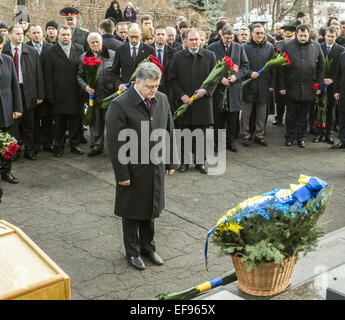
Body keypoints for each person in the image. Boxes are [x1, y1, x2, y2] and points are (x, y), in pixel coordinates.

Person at [105, 62, 175, 270]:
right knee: (132, 212)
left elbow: (168, 130)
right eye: (149, 87)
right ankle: (132, 252)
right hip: (133, 169)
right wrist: (122, 174)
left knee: (150, 209)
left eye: (156, 86)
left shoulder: (161, 99)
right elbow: (115, 143)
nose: (154, 91)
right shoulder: (120, 104)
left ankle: (148, 247)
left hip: (155, 166)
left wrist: (171, 161)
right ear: (137, 82)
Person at [169, 28, 217, 174]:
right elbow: (172, 79)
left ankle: (200, 162)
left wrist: (206, 90)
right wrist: (180, 95)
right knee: (184, 133)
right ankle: (184, 161)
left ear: (201, 40)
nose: (194, 42)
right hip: (185, 102)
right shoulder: (178, 57)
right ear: (185, 41)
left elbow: (215, 78)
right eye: (191, 40)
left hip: (202, 102)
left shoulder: (210, 56)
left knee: (201, 133)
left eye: (196, 39)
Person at [2, 25, 45, 161]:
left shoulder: (31, 52)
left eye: (22, 33)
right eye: (17, 33)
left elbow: (39, 74)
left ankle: (29, 150)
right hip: (11, 93)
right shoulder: (5, 51)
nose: (20, 36)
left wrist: (40, 94)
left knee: (29, 123)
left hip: (29, 92)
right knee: (13, 125)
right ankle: (13, 152)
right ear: (10, 35)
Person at [279, 24, 325, 148]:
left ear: (309, 34)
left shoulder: (316, 46)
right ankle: (289, 137)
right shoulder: (287, 46)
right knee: (290, 115)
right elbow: (281, 68)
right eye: (300, 36)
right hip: (291, 87)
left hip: (309, 87)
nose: (303, 38)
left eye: (305, 36)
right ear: (296, 34)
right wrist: (282, 85)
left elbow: (321, 67)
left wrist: (319, 86)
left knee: (304, 116)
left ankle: (301, 138)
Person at [42, 25, 85, 157]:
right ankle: (58, 146)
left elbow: (82, 72)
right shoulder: (50, 52)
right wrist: (50, 95)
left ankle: (74, 144)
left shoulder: (79, 49)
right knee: (59, 124)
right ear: (58, 36)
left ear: (71, 35)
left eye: (68, 35)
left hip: (75, 93)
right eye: (63, 35)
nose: (66, 37)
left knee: (74, 122)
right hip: (58, 94)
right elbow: (47, 76)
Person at [207, 24, 249, 153]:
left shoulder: (239, 47)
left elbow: (245, 66)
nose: (229, 40)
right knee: (219, 119)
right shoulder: (212, 48)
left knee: (232, 119)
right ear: (221, 35)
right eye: (226, 38)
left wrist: (236, 76)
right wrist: (220, 79)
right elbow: (209, 68)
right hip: (219, 90)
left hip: (234, 89)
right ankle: (217, 143)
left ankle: (230, 142)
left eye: (231, 38)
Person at [78, 33, 116, 157]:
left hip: (109, 95)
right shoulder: (84, 57)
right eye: (92, 42)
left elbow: (117, 74)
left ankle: (114, 147)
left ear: (102, 42)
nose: (95, 44)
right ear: (88, 44)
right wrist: (86, 87)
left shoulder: (112, 55)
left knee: (112, 123)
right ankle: (97, 146)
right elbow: (79, 75)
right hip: (93, 96)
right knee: (95, 123)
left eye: (97, 42)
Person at [241, 23, 275, 147]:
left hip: (264, 86)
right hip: (248, 85)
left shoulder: (270, 47)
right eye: (257, 33)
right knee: (246, 113)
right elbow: (241, 66)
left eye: (262, 33)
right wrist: (250, 73)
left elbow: (273, 68)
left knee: (261, 113)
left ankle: (259, 135)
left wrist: (272, 84)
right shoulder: (244, 47)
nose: (260, 35)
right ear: (251, 34)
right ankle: (245, 136)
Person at [314, 26, 344, 145]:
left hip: (333, 85)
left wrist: (331, 79)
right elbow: (316, 67)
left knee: (331, 110)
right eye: (328, 36)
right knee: (319, 108)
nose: (329, 38)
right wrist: (322, 80)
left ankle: (329, 134)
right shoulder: (318, 47)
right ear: (324, 35)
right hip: (320, 84)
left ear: (336, 37)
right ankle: (319, 133)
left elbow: (340, 70)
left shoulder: (341, 50)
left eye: (332, 36)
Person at [27, 24, 54, 154]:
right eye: (34, 33)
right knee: (34, 119)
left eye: (38, 32)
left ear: (43, 33)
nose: (36, 35)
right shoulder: (26, 48)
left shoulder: (50, 47)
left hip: (48, 88)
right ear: (29, 35)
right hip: (33, 89)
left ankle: (48, 142)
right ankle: (36, 144)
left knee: (47, 118)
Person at [0, 34, 23, 184]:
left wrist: (17, 108)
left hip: (5, 110)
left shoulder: (8, 61)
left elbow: (15, 86)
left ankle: (6, 171)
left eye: (0, 48)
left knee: (6, 144)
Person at [111, 23, 156, 94]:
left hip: (143, 90)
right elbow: (114, 72)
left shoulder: (150, 50)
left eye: (136, 37)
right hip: (126, 91)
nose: (134, 40)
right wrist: (119, 85)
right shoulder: (120, 50)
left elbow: (154, 72)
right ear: (127, 35)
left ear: (141, 35)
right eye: (131, 37)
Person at [273, 25, 296, 127]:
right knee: (280, 100)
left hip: (292, 76)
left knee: (291, 100)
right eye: (286, 36)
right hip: (280, 75)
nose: (288, 38)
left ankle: (291, 120)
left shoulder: (297, 45)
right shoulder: (278, 45)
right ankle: (279, 118)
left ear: (294, 36)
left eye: (290, 36)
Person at [153, 26, 177, 97]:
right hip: (152, 87)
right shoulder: (148, 50)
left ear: (166, 36)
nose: (160, 37)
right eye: (158, 34)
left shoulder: (174, 52)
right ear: (154, 36)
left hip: (168, 89)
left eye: (163, 34)